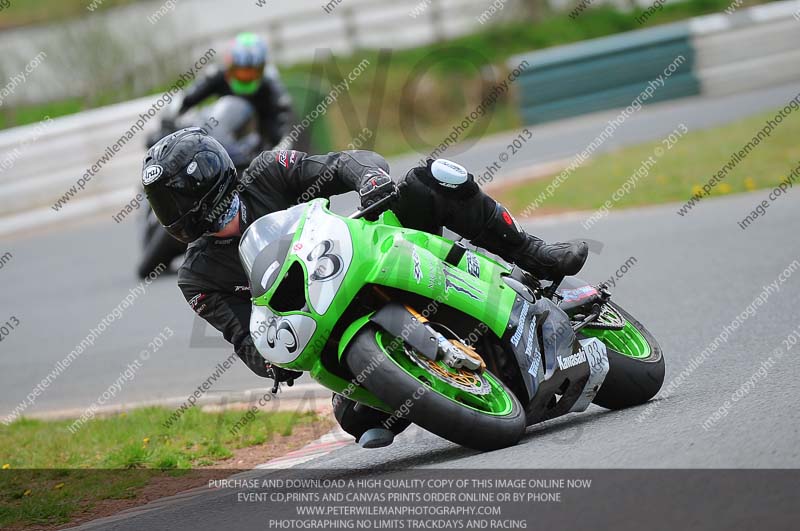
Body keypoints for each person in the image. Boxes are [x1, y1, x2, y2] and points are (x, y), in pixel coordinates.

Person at [142, 127, 588, 448]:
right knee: (354, 417)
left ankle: (534, 255)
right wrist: (272, 359)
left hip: (361, 251)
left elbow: (343, 164)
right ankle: (435, 389)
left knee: (432, 179)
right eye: (162, 202)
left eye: (172, 196)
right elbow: (243, 337)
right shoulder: (197, 276)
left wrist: (368, 179)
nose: (170, 209)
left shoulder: (267, 172)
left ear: (204, 179)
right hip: (323, 325)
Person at [167, 33, 293, 148]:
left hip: (255, 151)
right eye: (240, 70)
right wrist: (171, 121)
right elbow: (187, 98)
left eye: (251, 72)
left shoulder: (270, 84)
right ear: (230, 66)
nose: (245, 77)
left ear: (262, 69)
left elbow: (282, 124)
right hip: (220, 142)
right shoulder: (217, 75)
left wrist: (274, 148)